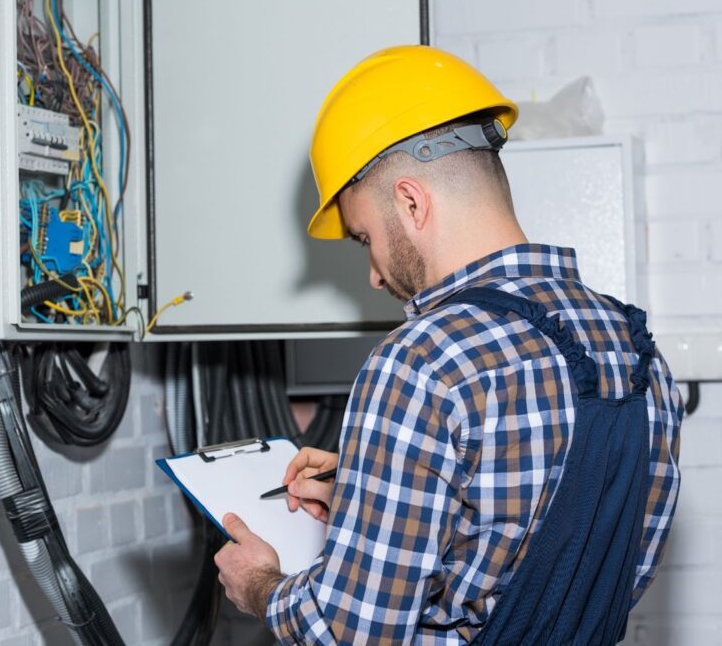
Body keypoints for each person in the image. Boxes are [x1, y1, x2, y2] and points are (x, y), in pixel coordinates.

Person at [213, 45, 683, 644]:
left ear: (410, 202)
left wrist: (261, 585)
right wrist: (376, 496)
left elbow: (352, 634)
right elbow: (593, 567)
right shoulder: (637, 353)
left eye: (364, 239)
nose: (375, 276)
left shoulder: (421, 362)